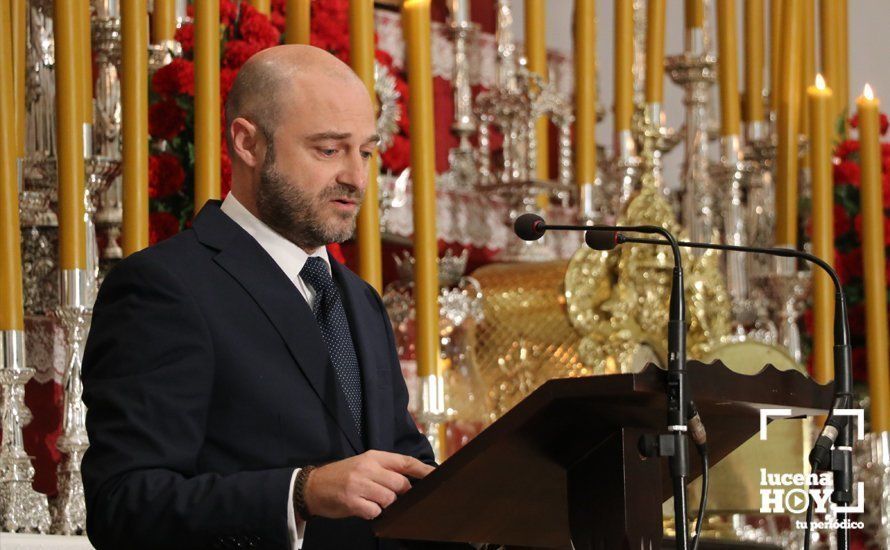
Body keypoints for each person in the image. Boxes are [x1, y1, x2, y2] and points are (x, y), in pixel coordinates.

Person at [81, 45, 438, 550]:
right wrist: (299, 492)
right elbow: (124, 504)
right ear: (247, 143)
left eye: (365, 152)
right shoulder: (165, 288)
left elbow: (407, 475)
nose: (356, 179)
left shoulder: (359, 300)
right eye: (328, 150)